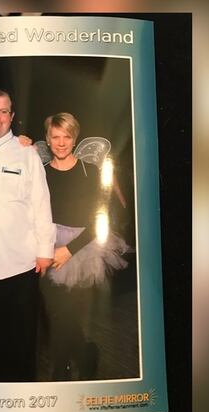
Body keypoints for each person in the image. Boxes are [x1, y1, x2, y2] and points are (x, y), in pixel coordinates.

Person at [0, 89, 56, 382]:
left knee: (20, 342)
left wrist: (45, 250)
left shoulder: (25, 152)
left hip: (20, 263)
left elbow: (41, 203)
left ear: (12, 117)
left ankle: (22, 398)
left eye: (3, 111)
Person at [40, 112, 133, 380]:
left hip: (83, 248)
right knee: (58, 313)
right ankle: (84, 354)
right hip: (49, 245)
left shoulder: (90, 170)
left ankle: (60, 371)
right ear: (47, 139)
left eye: (66, 137)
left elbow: (99, 218)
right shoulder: (41, 172)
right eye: (55, 137)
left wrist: (68, 250)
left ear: (74, 138)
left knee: (64, 314)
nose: (60, 143)